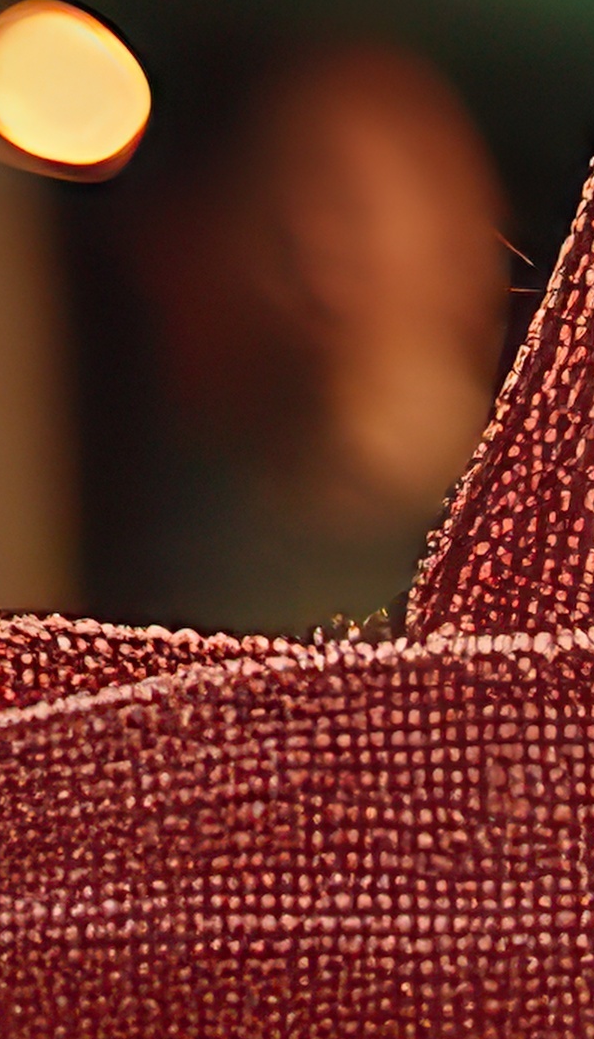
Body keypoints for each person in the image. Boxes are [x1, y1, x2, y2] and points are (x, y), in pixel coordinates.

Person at [137, 37, 508, 634]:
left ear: (456, 238)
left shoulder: (539, 530)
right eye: (277, 203)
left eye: (350, 203)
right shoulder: (202, 536)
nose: (309, 241)